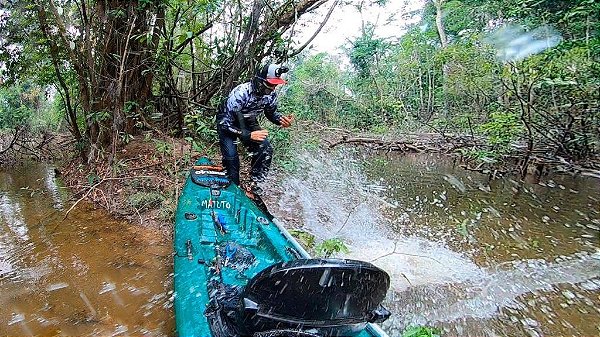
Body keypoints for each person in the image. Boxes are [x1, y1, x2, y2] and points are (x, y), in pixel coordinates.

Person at [216, 63, 294, 190]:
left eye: (275, 86)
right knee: (232, 161)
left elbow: (271, 113)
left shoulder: (271, 94)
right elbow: (224, 123)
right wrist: (248, 135)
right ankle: (232, 186)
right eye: (269, 86)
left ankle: (255, 186)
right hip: (229, 122)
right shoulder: (241, 93)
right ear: (259, 81)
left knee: (265, 148)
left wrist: (280, 119)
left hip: (248, 121)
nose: (272, 89)